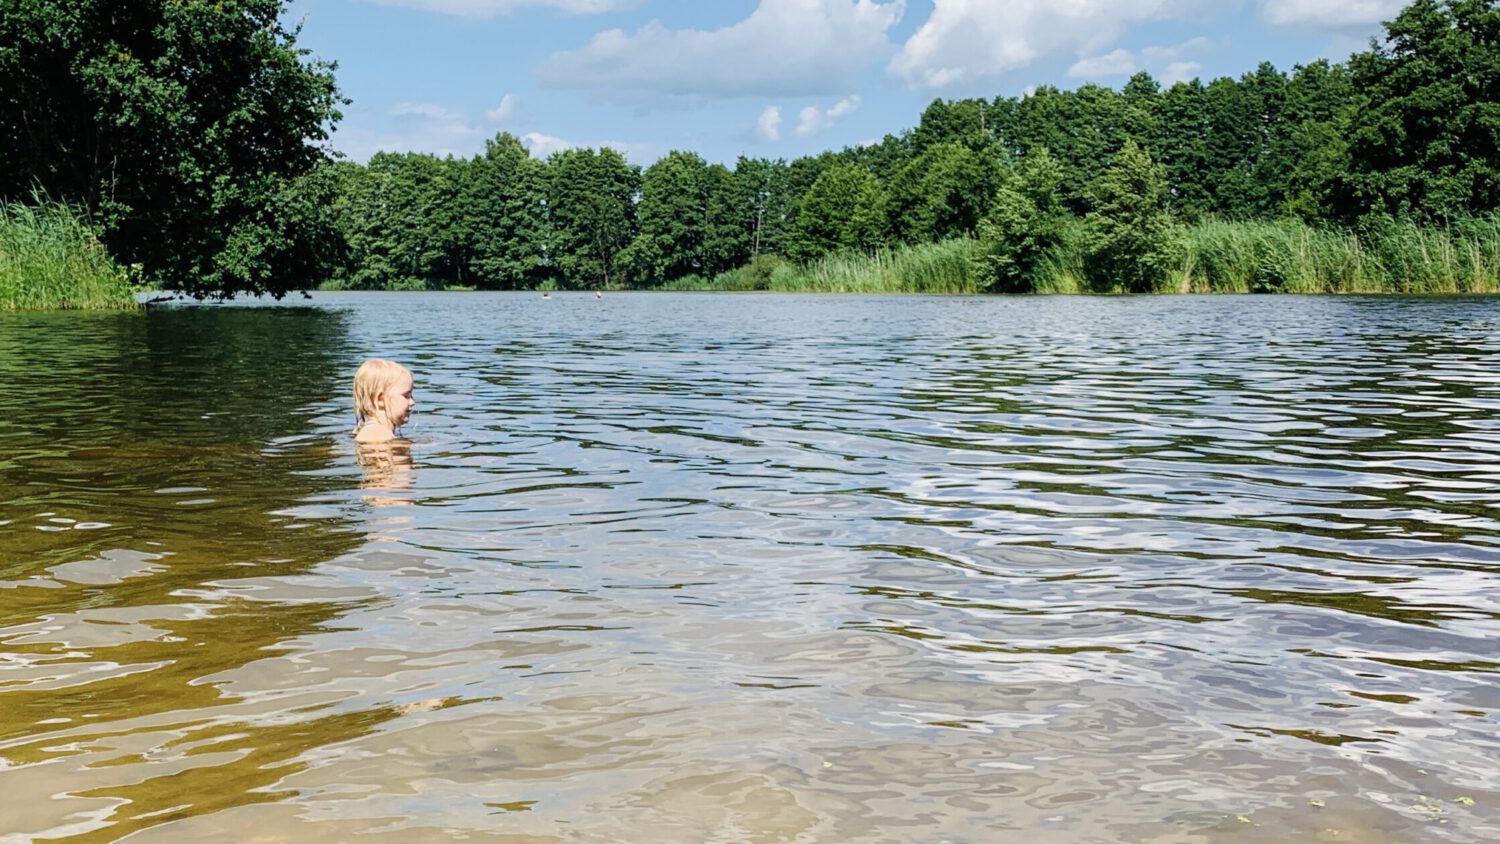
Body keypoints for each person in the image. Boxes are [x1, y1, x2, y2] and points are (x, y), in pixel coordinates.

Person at [353, 358, 415, 444]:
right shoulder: (376, 433)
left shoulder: (379, 431)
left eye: (411, 396)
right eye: (406, 396)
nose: (412, 402)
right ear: (380, 400)